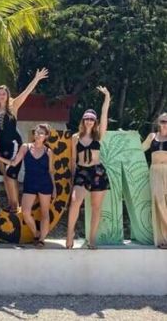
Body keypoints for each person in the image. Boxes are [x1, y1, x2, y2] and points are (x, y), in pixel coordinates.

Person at [0, 68, 49, 212]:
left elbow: (26, 92)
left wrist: (36, 78)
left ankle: (15, 206)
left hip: (13, 145)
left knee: (10, 175)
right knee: (6, 177)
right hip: (0, 147)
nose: (2, 96)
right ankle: (12, 204)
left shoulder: (13, 106)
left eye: (4, 93)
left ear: (7, 95)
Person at [66, 86, 111, 250]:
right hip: (82, 171)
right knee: (75, 201)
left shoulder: (98, 135)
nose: (89, 121)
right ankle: (70, 234)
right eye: (87, 119)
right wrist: (72, 177)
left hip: (97, 172)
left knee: (96, 207)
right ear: (83, 121)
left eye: (92, 119)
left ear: (95, 121)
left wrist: (107, 97)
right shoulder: (75, 137)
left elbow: (105, 115)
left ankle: (92, 238)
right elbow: (72, 159)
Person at [0, 123, 56, 247]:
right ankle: (36, 233)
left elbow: (51, 171)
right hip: (30, 183)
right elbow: (13, 163)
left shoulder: (49, 152)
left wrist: (54, 188)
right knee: (25, 212)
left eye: (41, 133)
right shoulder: (25, 147)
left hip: (45, 183)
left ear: (46, 136)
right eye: (36, 132)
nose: (38, 135)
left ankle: (41, 240)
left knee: (45, 213)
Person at [142, 112, 167, 249]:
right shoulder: (152, 137)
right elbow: (139, 149)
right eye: (162, 121)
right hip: (155, 172)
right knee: (159, 202)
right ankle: (163, 238)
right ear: (158, 122)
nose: (165, 124)